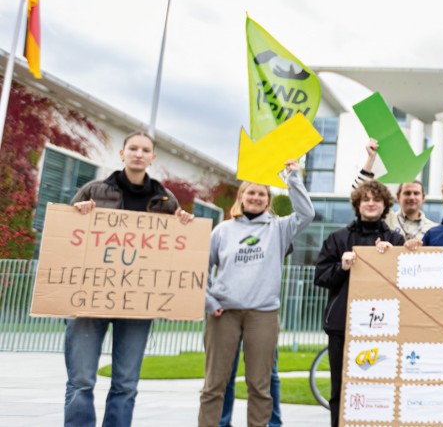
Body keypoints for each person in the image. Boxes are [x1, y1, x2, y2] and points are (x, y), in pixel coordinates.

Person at [63, 131, 196, 427]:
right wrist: (78, 213)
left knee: (125, 384)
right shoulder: (93, 191)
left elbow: (173, 251)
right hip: (88, 300)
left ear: (152, 158)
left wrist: (183, 224)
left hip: (137, 305)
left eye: (144, 149)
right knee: (81, 381)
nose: (138, 153)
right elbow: (67, 236)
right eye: (132, 148)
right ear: (122, 154)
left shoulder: (164, 200)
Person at [199, 161, 314, 427]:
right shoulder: (223, 231)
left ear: (268, 200)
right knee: (214, 384)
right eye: (250, 192)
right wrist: (210, 301)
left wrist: (293, 177)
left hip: (262, 314)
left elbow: (306, 214)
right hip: (223, 313)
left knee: (260, 386)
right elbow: (201, 268)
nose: (256, 197)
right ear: (241, 197)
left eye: (262, 194)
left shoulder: (278, 228)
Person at [314, 178, 405, 427]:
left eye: (376, 199)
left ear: (385, 205)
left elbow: (406, 284)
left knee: (379, 389)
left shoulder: (396, 241)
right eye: (365, 199)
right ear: (357, 204)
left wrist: (393, 257)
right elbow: (320, 277)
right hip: (343, 326)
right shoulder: (337, 238)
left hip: (383, 327)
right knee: (340, 389)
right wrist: (341, 267)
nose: (371, 203)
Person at [356, 138, 438, 241]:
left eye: (416, 193)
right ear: (398, 197)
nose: (412, 197)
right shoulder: (385, 219)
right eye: (407, 193)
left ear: (423, 198)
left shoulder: (434, 229)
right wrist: (371, 158)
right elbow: (359, 193)